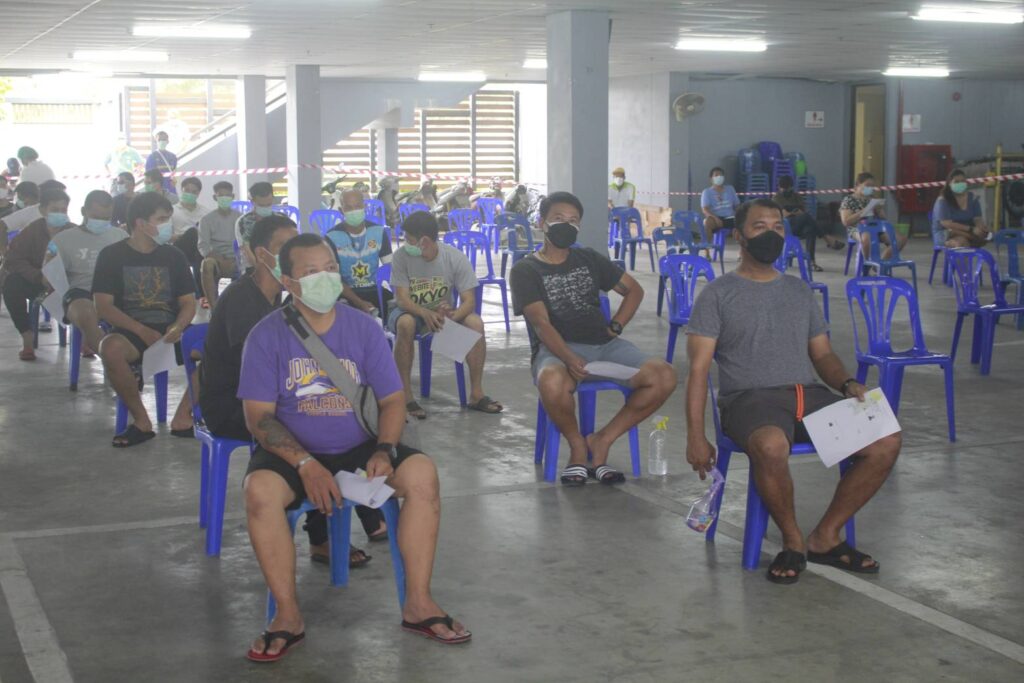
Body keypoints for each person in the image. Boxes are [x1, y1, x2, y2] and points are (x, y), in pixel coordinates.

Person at [238, 232, 471, 661]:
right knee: (259, 492)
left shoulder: (363, 328)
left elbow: (392, 400)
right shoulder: (266, 336)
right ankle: (287, 615)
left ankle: (418, 603)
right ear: (289, 282)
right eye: (311, 272)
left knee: (422, 475)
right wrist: (305, 464)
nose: (325, 278)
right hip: (293, 451)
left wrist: (385, 448)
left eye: (330, 268)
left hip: (360, 445)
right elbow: (259, 418)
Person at [685, 198, 902, 584]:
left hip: (809, 396)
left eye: (777, 227)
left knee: (886, 439)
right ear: (739, 236)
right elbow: (698, 372)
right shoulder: (717, 294)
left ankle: (825, 536)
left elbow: (823, 354)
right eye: (759, 227)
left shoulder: (798, 291)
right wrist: (696, 436)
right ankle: (792, 540)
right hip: (750, 401)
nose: (771, 234)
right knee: (771, 446)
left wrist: (847, 383)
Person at [201, 216, 385, 565]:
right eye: (285, 247)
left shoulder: (281, 298)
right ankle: (325, 536)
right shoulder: (242, 299)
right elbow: (258, 372)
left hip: (272, 396)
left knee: (335, 416)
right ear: (262, 255)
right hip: (234, 406)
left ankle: (360, 509)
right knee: (312, 421)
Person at [510, 191, 677, 485]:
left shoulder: (588, 259)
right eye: (558, 218)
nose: (566, 225)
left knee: (664, 376)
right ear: (541, 223)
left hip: (604, 346)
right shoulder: (526, 269)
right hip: (556, 350)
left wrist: (616, 326)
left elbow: (634, 290)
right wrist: (569, 358)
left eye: (573, 220)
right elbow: (541, 324)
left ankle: (602, 440)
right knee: (551, 381)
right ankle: (577, 446)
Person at [93, 192, 197, 447]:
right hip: (131, 332)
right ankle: (141, 421)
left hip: (172, 331)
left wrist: (178, 325)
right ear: (140, 223)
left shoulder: (174, 256)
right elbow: (103, 306)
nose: (167, 225)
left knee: (220, 348)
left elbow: (188, 303)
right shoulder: (111, 255)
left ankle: (184, 416)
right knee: (110, 348)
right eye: (161, 219)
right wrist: (141, 330)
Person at [388, 211, 502, 418]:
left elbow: (469, 301)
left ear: (424, 241)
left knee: (475, 322)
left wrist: (452, 317)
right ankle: (406, 397)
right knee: (405, 324)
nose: (406, 243)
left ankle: (476, 394)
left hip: (442, 315)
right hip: (409, 312)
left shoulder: (454, 258)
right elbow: (402, 299)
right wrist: (425, 313)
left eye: (409, 239)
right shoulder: (401, 257)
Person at [46, 191, 127, 358]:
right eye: (96, 217)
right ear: (83, 211)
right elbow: (49, 277)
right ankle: (113, 359)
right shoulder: (62, 240)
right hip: (81, 292)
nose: (101, 222)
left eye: (106, 218)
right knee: (86, 313)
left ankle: (123, 358)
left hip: (116, 291)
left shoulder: (120, 236)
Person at [0, 187, 72, 360]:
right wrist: (39, 276)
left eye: (63, 210)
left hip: (69, 288)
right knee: (11, 284)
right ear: (43, 210)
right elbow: (14, 259)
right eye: (55, 210)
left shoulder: (74, 232)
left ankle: (85, 338)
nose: (60, 214)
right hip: (39, 285)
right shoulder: (32, 231)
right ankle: (27, 335)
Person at [328, 188, 393, 317]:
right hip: (345, 293)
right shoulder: (332, 237)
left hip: (374, 290)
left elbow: (390, 268)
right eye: (349, 208)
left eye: (358, 206)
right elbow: (335, 280)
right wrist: (359, 302)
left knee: (396, 310)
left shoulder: (378, 232)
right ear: (341, 210)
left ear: (365, 207)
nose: (354, 211)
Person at [772, 175, 844, 271]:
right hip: (786, 226)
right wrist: (793, 212)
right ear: (780, 188)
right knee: (806, 217)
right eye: (784, 188)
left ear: (791, 187)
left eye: (788, 188)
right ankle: (826, 238)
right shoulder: (776, 198)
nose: (786, 190)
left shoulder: (797, 197)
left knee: (810, 230)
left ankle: (812, 262)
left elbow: (803, 210)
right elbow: (781, 215)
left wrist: (795, 212)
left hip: (799, 224)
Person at [839, 172, 904, 260]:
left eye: (872, 186)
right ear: (858, 185)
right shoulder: (849, 200)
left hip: (875, 227)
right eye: (867, 185)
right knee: (866, 237)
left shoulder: (872, 198)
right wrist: (864, 211)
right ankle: (867, 263)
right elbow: (846, 222)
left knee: (900, 240)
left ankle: (881, 263)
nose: (870, 188)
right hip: (857, 228)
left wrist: (879, 211)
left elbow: (884, 219)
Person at [198, 181, 242, 307]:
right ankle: (214, 308)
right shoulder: (206, 220)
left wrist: (236, 259)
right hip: (216, 260)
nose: (224, 198)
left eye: (227, 195)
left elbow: (245, 243)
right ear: (215, 197)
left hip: (238, 259)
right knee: (206, 264)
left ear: (232, 197)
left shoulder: (240, 218)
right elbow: (203, 246)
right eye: (221, 195)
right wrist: (221, 260)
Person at [932, 168, 988, 249]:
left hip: (968, 232)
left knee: (979, 238)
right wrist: (971, 229)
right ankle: (961, 244)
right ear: (949, 183)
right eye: (956, 182)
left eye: (962, 181)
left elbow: (978, 219)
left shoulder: (973, 199)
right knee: (961, 243)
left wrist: (981, 228)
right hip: (946, 233)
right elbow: (947, 224)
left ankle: (969, 240)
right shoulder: (943, 200)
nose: (960, 184)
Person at [170, 176, 210, 284]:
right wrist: (183, 236)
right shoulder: (172, 210)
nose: (190, 194)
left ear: (198, 193)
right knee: (193, 232)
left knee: (199, 247)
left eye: (194, 192)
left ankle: (200, 286)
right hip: (179, 247)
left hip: (199, 248)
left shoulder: (205, 212)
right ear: (182, 190)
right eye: (187, 190)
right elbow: (168, 236)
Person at [235, 181, 277, 271]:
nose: (265, 208)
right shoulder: (244, 222)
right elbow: (247, 252)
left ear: (273, 199)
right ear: (252, 201)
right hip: (253, 269)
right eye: (261, 205)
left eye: (269, 204)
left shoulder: (281, 220)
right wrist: (264, 271)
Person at [0, 182, 40, 253]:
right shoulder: (17, 212)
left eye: (20, 198)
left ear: (29, 196)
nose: (19, 201)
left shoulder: (30, 211)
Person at [701, 167, 741, 235]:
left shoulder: (730, 189)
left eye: (721, 175)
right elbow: (705, 209)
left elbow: (737, 205)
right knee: (707, 222)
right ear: (711, 178)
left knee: (744, 220)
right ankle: (708, 241)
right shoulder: (707, 192)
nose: (719, 177)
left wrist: (740, 213)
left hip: (731, 217)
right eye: (716, 175)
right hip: (716, 218)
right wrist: (715, 218)